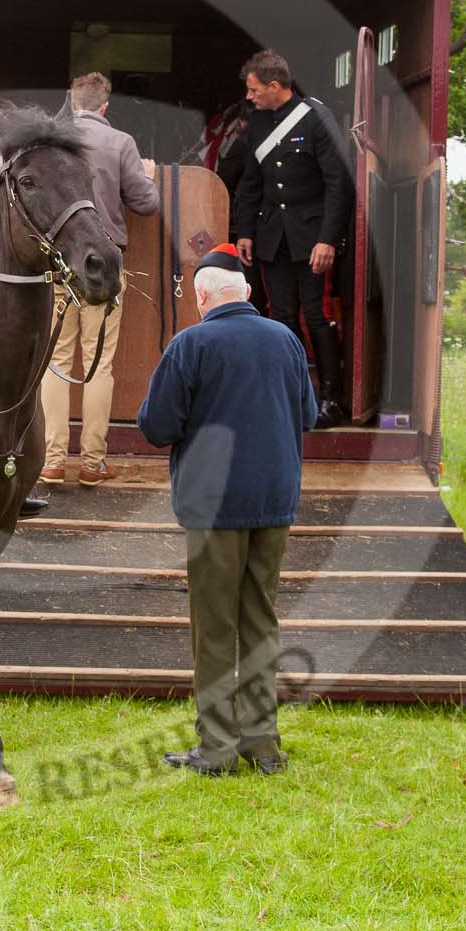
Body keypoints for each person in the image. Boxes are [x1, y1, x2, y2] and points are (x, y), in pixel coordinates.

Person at [137, 245, 318, 776]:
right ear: (246, 292)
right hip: (275, 501)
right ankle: (262, 742)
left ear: (201, 296)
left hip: (214, 508)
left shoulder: (190, 344)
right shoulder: (285, 339)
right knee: (260, 619)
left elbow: (156, 427)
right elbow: (306, 413)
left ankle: (216, 747)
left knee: (215, 626)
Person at [39, 71, 159, 487]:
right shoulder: (120, 142)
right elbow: (146, 203)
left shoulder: (51, 140)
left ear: (73, 103)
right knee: (98, 365)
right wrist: (150, 177)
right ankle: (93, 462)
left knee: (56, 362)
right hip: (104, 266)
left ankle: (52, 460)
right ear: (105, 106)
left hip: (57, 263)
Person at [230, 50, 353, 427]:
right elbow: (251, 183)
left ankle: (331, 399)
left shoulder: (317, 119)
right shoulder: (258, 125)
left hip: (311, 238)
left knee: (316, 316)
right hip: (273, 237)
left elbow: (339, 184)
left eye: (253, 90)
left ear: (274, 85)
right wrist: (246, 231)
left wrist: (328, 239)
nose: (249, 97)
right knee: (281, 317)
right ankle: (289, 395)